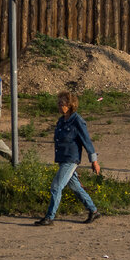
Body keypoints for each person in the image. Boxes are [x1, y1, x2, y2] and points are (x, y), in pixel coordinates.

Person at [34, 90, 101, 226]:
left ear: (70, 105)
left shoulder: (77, 121)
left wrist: (94, 161)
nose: (59, 106)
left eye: (61, 103)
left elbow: (87, 141)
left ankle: (49, 217)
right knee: (76, 188)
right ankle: (94, 211)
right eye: (58, 103)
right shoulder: (61, 121)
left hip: (71, 159)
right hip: (63, 158)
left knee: (56, 187)